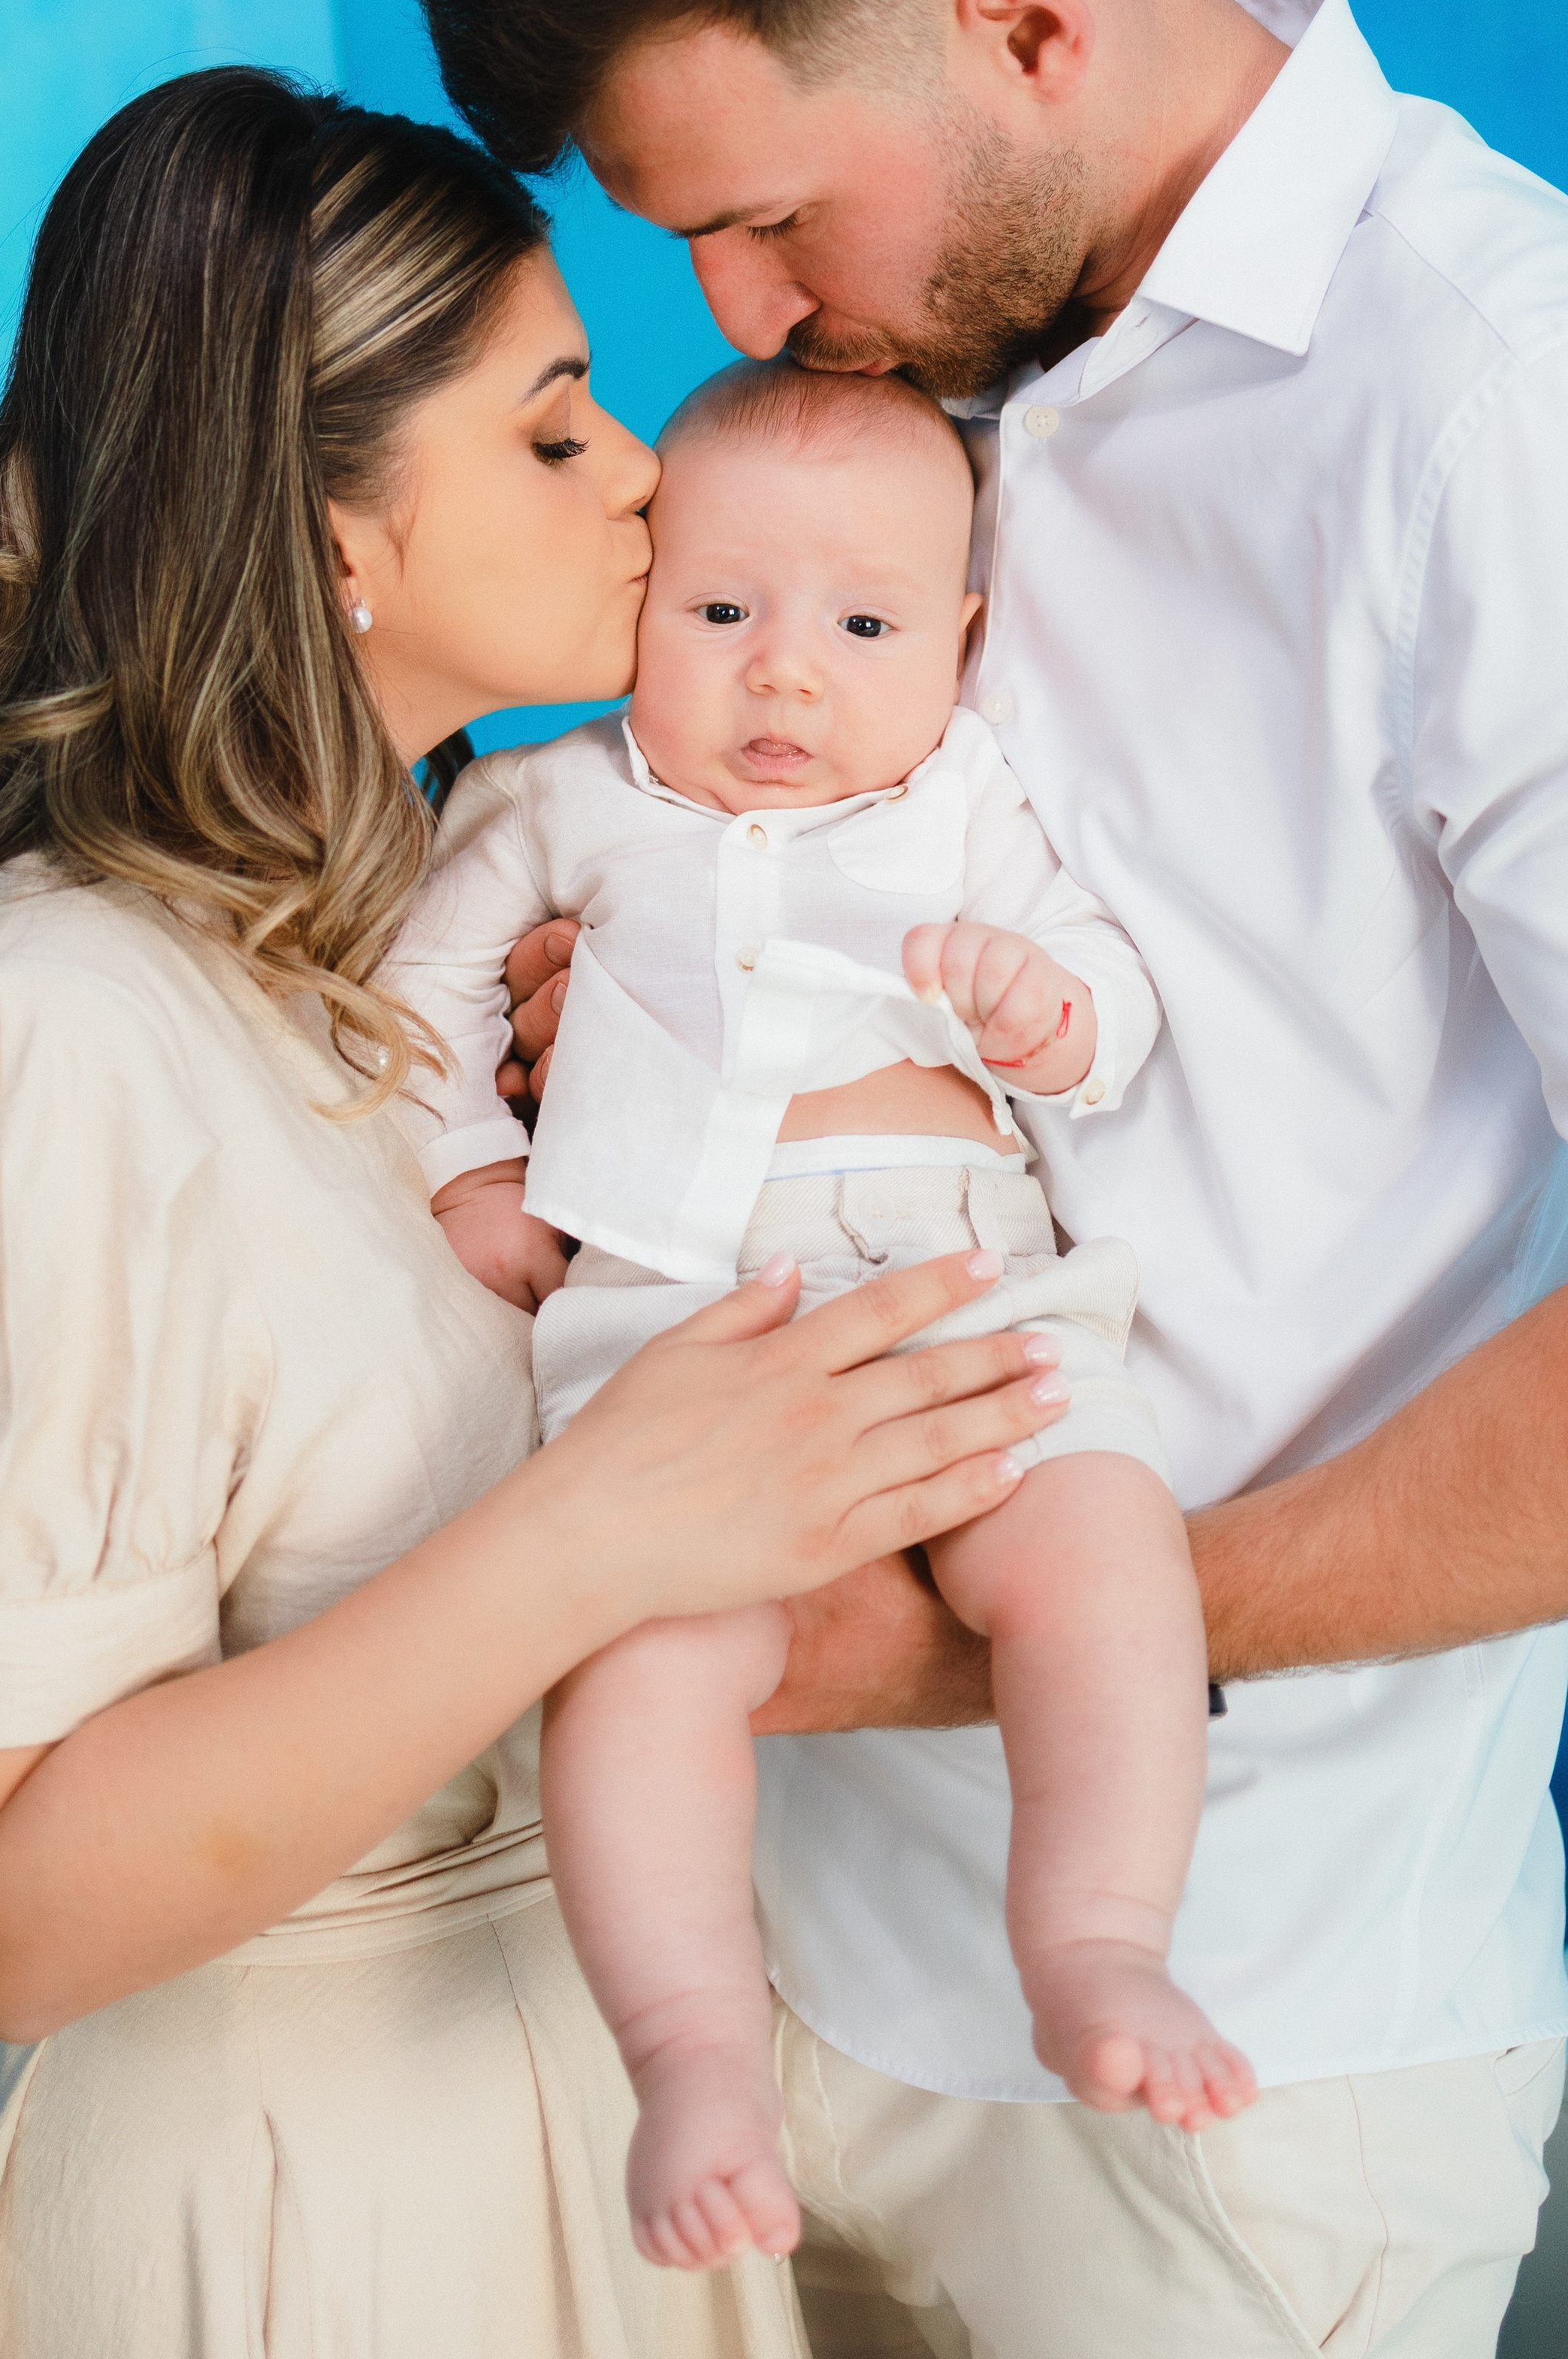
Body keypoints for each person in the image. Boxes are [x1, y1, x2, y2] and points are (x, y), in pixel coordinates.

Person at [416, 0, 1568, 2358]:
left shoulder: (1529, 423)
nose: (729, 330)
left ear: (1019, 23)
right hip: (739, 1987)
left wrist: (1031, 1617)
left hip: (1227, 2057)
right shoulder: (939, 358)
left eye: (755, 223)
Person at [0, 67, 1060, 2359]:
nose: (649, 468)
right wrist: (612, 1528)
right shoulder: (47, 1019)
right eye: (557, 429)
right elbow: (18, 1913)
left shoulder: (412, 965)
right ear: (332, 528)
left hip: (583, 2133)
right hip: (278, 2223)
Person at [392, 357, 1253, 2270]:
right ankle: (692, 2051)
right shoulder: (560, 801)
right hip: (683, 1313)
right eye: (720, 613)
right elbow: (419, 992)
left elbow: (1105, 988)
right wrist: (464, 1162)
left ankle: (1097, 1939)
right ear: (642, 609)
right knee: (653, 1657)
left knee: (1101, 1548)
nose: (783, 673)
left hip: (957, 1276)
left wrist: (1044, 1009)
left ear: (954, 641)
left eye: (861, 625)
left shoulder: (966, 803)